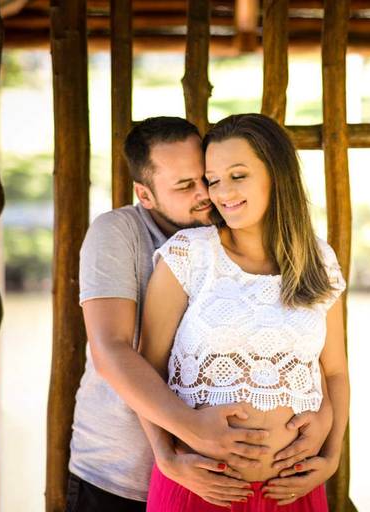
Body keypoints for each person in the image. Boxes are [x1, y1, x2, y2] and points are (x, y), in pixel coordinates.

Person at [68, 116, 333, 511]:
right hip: (119, 476)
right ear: (145, 194)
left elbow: (305, 356)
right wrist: (185, 437)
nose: (209, 194)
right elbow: (113, 351)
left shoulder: (288, 251)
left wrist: (324, 420)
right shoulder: (121, 234)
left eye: (205, 178)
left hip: (244, 480)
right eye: (186, 185)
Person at [139, 113, 350, 511]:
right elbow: (147, 367)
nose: (222, 192)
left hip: (293, 491)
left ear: (276, 173)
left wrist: (331, 455)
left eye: (238, 175)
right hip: (199, 489)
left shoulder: (318, 260)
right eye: (214, 179)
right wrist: (167, 460)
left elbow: (335, 371)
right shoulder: (189, 254)